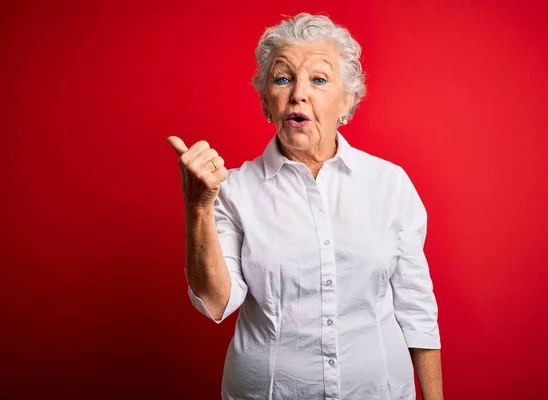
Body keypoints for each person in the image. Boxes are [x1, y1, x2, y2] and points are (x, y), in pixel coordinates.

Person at [167, 12, 443, 400]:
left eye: (318, 79)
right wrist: (197, 206)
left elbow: (416, 306)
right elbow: (216, 303)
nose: (299, 93)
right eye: (283, 79)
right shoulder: (234, 190)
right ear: (267, 102)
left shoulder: (390, 184)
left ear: (347, 101)